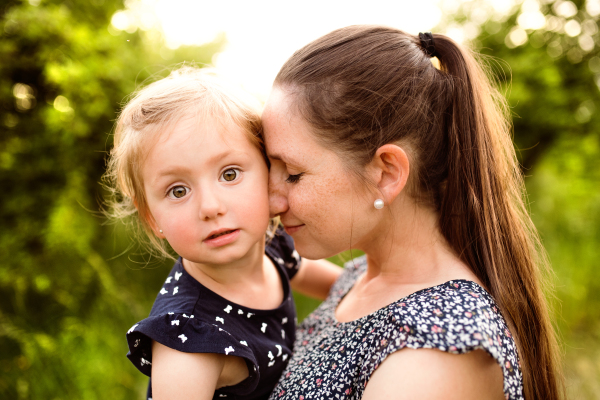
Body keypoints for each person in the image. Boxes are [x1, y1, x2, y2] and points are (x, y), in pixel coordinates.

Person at [262, 26, 563, 400]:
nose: (272, 201)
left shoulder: (436, 354)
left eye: (292, 174)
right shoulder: (360, 278)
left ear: (386, 173)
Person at [103, 67, 341, 400]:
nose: (210, 207)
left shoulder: (271, 244)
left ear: (269, 174)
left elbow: (340, 287)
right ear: (151, 218)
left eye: (229, 174)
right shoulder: (189, 343)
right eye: (178, 190)